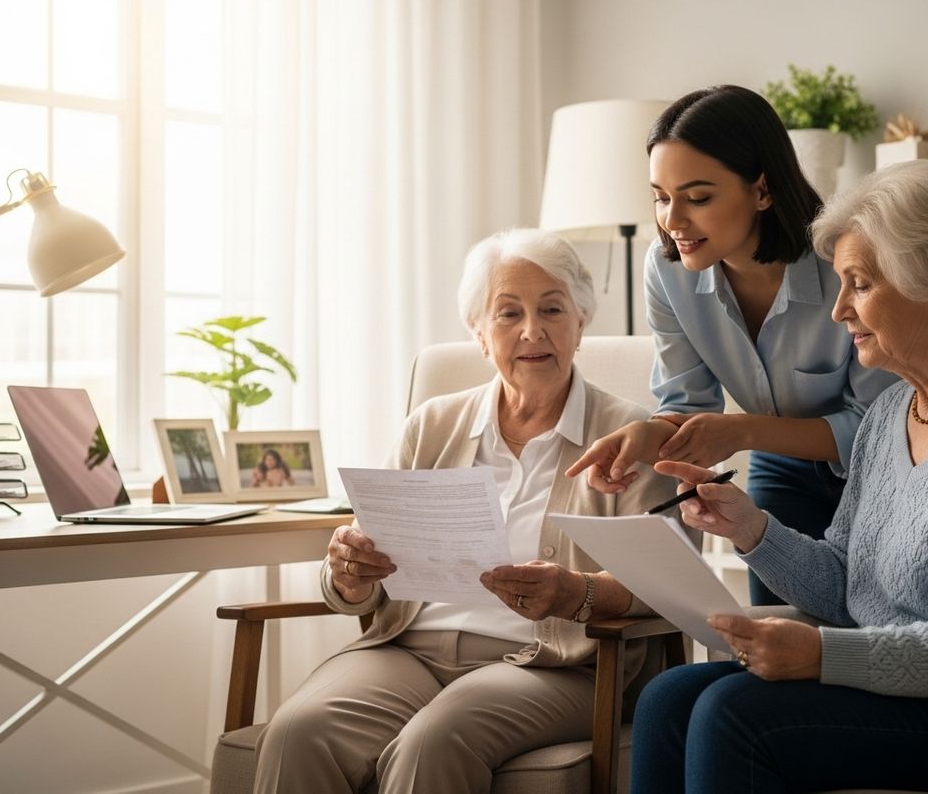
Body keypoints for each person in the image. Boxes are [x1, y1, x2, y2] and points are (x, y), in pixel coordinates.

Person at [628, 160, 928, 793]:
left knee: (735, 717)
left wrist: (823, 656)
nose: (837, 311)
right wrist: (750, 528)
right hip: (906, 685)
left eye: (858, 285)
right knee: (667, 700)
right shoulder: (892, 409)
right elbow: (847, 586)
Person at [255, 229, 679, 794]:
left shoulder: (628, 433)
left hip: (554, 663)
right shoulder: (431, 424)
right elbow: (355, 581)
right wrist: (348, 574)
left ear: (580, 322)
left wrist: (574, 592)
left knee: (434, 741)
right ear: (480, 334)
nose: (532, 330)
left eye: (552, 309)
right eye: (508, 314)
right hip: (408, 650)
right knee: (299, 730)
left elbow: (665, 581)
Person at [567, 85, 896, 605]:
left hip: (886, 473)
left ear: (762, 190)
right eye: (660, 197)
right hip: (780, 466)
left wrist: (741, 430)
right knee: (778, 640)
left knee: (860, 629)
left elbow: (880, 430)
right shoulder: (666, 272)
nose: (672, 221)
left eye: (698, 198)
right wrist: (644, 437)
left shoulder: (845, 264)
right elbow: (688, 406)